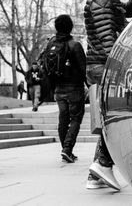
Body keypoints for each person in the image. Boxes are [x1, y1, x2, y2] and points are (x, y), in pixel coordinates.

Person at [83, 0, 132, 190]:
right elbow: (106, 35)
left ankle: (96, 174)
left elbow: (125, 13)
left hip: (100, 64)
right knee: (117, 117)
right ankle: (102, 163)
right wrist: (117, 64)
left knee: (111, 116)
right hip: (103, 65)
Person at [45, 14, 87, 163]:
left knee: (63, 120)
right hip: (74, 89)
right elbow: (84, 69)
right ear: (70, 27)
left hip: (58, 89)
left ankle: (66, 150)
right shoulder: (74, 45)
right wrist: (90, 87)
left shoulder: (50, 44)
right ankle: (67, 149)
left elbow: (45, 67)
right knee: (75, 118)